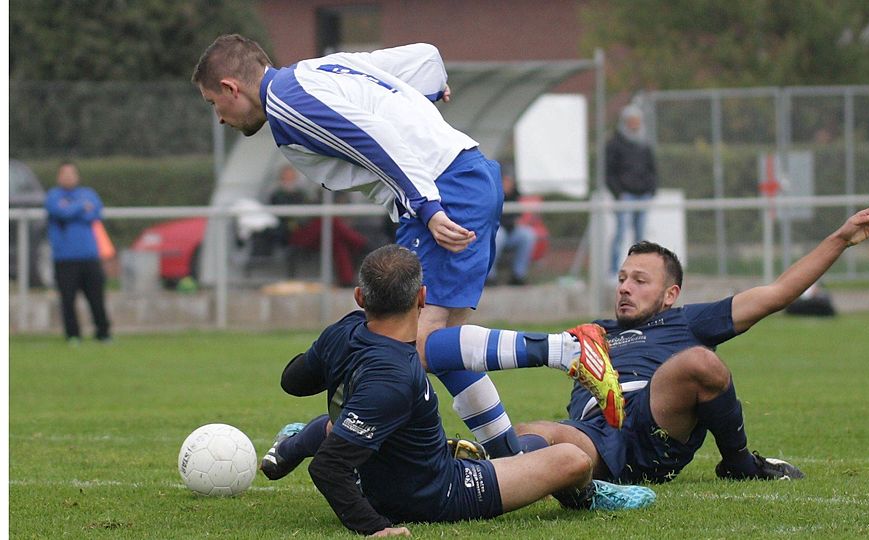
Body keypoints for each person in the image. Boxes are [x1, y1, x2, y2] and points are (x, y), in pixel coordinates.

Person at [192, 35, 624, 456]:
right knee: (441, 343)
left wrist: (428, 206)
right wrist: (431, 87)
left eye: (215, 104)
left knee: (411, 341)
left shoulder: (286, 105)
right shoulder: (317, 69)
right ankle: (510, 457)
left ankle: (565, 349)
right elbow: (424, 56)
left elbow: (374, 137)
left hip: (442, 191)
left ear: (231, 87)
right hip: (468, 172)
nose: (220, 118)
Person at [425, 204, 869, 483]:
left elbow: (776, 294)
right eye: (622, 278)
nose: (625, 287)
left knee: (698, 362)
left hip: (656, 426)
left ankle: (738, 464)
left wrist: (839, 239)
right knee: (543, 432)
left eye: (640, 281)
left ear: (670, 294)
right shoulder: (593, 330)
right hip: (595, 432)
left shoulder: (688, 321)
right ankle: (476, 467)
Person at [259, 245, 655, 536]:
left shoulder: (344, 329)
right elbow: (328, 468)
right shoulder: (393, 377)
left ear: (361, 298)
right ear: (422, 298)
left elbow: (294, 382)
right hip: (436, 492)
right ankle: (585, 496)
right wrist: (375, 529)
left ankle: (287, 448)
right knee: (571, 458)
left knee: (350, 423)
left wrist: (328, 353)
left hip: (378, 465)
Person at [44, 161, 111, 343]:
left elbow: (95, 212)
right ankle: (73, 335)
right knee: (68, 299)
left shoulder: (88, 193)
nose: (68, 177)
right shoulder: (53, 195)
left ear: (77, 176)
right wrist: (81, 207)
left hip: (89, 256)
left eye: (71, 173)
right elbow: (61, 213)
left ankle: (103, 333)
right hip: (64, 258)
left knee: (96, 297)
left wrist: (71, 207)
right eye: (64, 174)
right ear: (59, 177)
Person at [606, 102, 658, 277]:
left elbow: (652, 169)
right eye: (631, 121)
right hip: (626, 196)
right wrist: (618, 193)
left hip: (643, 195)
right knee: (620, 234)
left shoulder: (644, 144)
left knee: (641, 237)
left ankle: (639, 271)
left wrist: (651, 189)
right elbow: (609, 172)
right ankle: (614, 271)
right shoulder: (615, 144)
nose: (635, 124)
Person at [487, 166, 538, 286]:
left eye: (510, 181)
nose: (507, 183)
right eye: (505, 180)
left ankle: (518, 275)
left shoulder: (516, 195)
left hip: (511, 231)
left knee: (527, 235)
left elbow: (518, 216)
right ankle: (490, 276)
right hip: (497, 230)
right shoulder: (493, 192)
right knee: (498, 236)